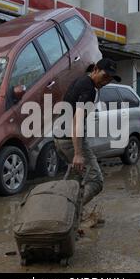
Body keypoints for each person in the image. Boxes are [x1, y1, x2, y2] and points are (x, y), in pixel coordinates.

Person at [54, 58, 121, 205]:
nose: (106, 82)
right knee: (95, 180)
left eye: (110, 79)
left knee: (76, 179)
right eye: (105, 76)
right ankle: (71, 215)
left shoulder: (82, 81)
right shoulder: (88, 88)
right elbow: (77, 119)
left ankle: (59, 213)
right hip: (70, 140)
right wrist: (78, 153)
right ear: (95, 69)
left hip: (59, 138)